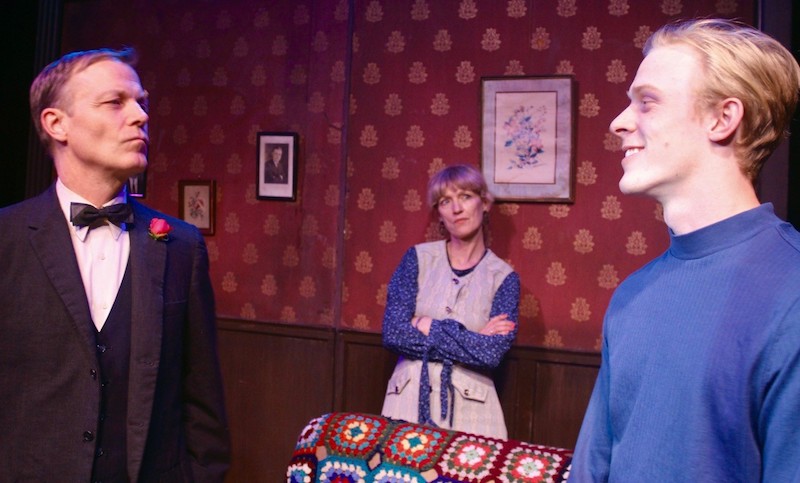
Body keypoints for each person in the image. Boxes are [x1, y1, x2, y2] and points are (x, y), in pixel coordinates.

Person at [570, 19, 800, 481]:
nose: (619, 122)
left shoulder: (791, 292)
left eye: (647, 102)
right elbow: (592, 469)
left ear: (722, 119)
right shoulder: (633, 295)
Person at [0, 48, 230, 481]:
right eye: (115, 102)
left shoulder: (180, 245)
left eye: (141, 102)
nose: (140, 116)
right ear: (56, 123)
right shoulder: (6, 240)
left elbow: (203, 405)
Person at [381, 164, 520, 439]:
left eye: (466, 197)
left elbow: (490, 354)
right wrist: (470, 338)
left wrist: (425, 323)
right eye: (446, 201)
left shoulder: (504, 278)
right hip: (406, 403)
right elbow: (394, 333)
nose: (457, 209)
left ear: (485, 202)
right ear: (439, 214)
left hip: (474, 413)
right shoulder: (416, 259)